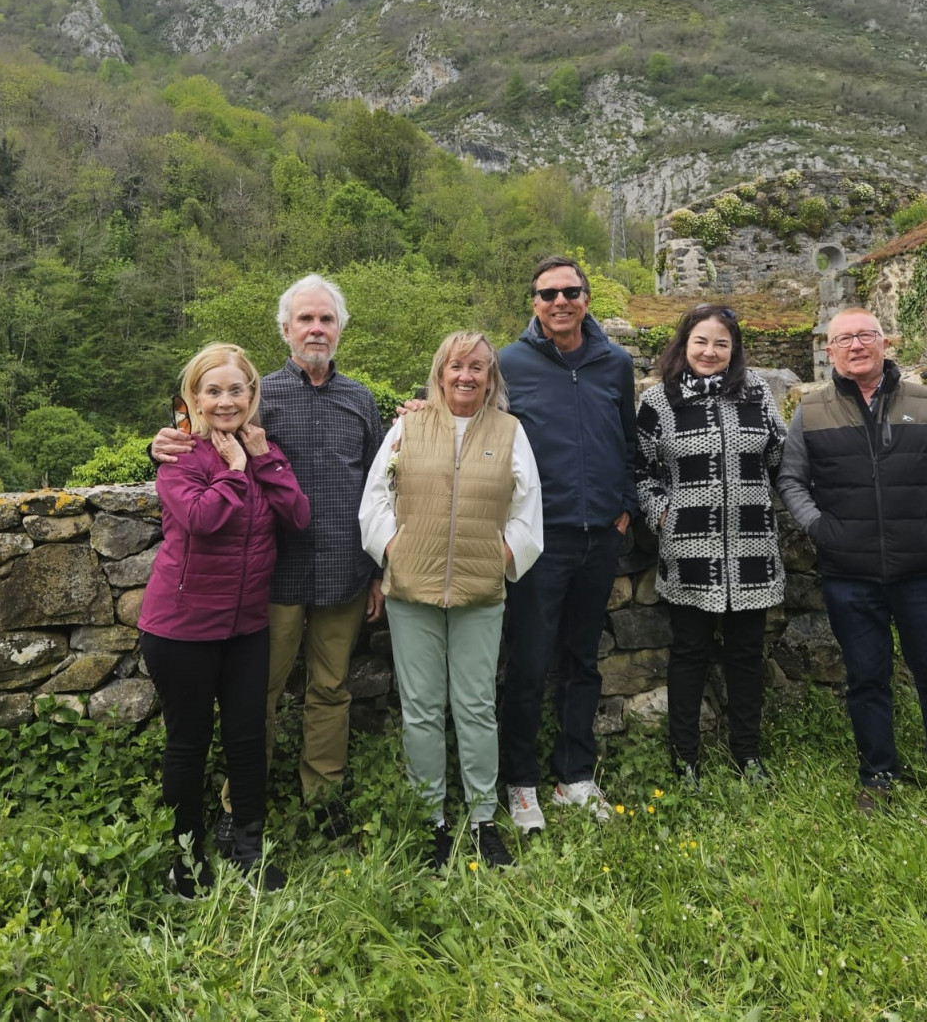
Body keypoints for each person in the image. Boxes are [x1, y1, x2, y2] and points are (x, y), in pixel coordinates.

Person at [152, 275, 384, 850]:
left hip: (343, 572)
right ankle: (242, 806)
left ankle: (322, 800)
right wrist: (154, 445)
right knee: (259, 696)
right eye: (304, 319)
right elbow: (196, 437)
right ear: (285, 330)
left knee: (331, 689)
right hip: (269, 579)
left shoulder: (361, 400)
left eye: (326, 320)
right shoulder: (260, 396)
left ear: (339, 330)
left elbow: (384, 484)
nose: (315, 329)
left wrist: (380, 568)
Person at [777, 307, 927, 816]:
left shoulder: (925, 402)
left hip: (922, 573)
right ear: (831, 351)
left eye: (865, 335)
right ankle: (877, 779)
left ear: (885, 342)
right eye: (843, 339)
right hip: (849, 576)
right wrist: (822, 529)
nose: (855, 346)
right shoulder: (812, 410)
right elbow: (791, 482)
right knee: (866, 680)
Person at [360, 332, 543, 868]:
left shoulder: (510, 431)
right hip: (411, 591)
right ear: (440, 372)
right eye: (457, 366)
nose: (467, 376)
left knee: (476, 706)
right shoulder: (407, 426)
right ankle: (431, 820)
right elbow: (376, 498)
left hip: (479, 592)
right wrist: (394, 549)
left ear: (491, 376)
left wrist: (501, 561)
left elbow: (528, 510)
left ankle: (483, 816)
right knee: (420, 708)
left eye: (478, 368)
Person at [139, 343, 311, 897]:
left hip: (245, 626)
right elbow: (201, 519)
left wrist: (263, 461)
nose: (225, 400)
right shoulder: (178, 458)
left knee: (246, 736)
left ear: (252, 395)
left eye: (237, 389)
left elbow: (298, 516)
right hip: (181, 627)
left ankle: (248, 849)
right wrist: (237, 473)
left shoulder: (260, 451)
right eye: (212, 390)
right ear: (194, 398)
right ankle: (186, 860)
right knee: (188, 742)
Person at [499, 255, 638, 831]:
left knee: (584, 662)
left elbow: (629, 439)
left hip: (600, 537)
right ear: (533, 302)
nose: (560, 302)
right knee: (528, 664)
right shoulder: (509, 363)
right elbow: (471, 420)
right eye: (547, 294)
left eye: (570, 292)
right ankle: (521, 782)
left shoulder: (615, 362)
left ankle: (575, 777)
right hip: (538, 540)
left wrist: (625, 507)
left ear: (586, 298)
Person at [634, 305, 786, 783]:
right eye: (701, 341)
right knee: (689, 654)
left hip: (752, 551)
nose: (710, 351)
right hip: (689, 553)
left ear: (734, 350)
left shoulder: (758, 395)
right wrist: (664, 516)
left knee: (745, 656)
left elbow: (782, 457)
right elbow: (640, 471)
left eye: (722, 343)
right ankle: (686, 760)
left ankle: (748, 755)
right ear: (684, 345)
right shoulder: (659, 402)